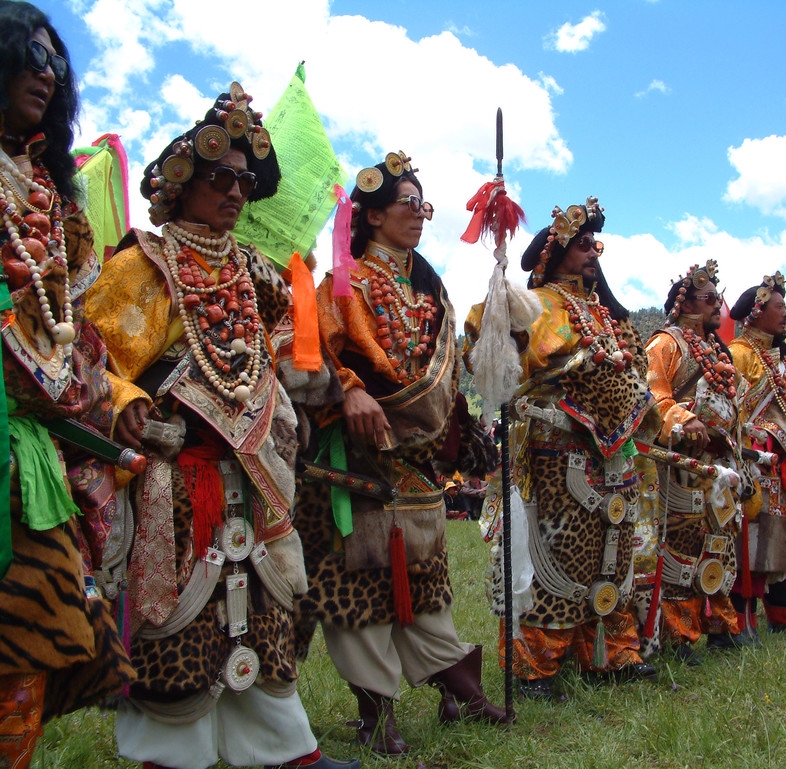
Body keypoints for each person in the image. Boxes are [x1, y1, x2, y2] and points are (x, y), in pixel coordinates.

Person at [84, 85, 357, 769]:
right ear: (181, 184)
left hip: (255, 470)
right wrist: (123, 397)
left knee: (262, 608)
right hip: (176, 478)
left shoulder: (257, 272)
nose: (235, 192)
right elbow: (89, 355)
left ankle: (287, 750)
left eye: (244, 181)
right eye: (219, 178)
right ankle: (170, 756)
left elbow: (281, 353)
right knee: (181, 619)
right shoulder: (139, 267)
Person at [296, 152, 505, 756]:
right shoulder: (342, 281)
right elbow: (302, 347)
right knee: (358, 594)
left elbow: (449, 371)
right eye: (407, 204)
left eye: (424, 205)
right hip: (354, 461)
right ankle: (375, 715)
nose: (419, 215)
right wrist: (351, 390)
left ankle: (460, 692)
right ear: (372, 214)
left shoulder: (429, 288)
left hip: (418, 465)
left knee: (428, 589)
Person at [0, 4, 134, 764]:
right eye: (28, 54)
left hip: (31, 458)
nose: (45, 72)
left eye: (56, 61)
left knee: (33, 637)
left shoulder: (56, 203)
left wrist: (111, 402)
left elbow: (75, 330)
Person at [467, 197, 657, 699]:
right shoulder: (540, 305)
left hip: (615, 456)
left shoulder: (609, 315)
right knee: (560, 558)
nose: (593, 252)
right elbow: (486, 348)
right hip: (557, 454)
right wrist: (500, 314)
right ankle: (535, 665)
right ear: (555, 254)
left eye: (594, 243)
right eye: (580, 245)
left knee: (613, 553)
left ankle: (612, 652)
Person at [640, 261, 747, 660]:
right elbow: (653, 397)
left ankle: (722, 625)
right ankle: (679, 633)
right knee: (682, 549)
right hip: (683, 465)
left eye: (718, 297)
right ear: (686, 303)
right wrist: (686, 419)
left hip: (718, 464)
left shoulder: (714, 349)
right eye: (710, 298)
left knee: (720, 545)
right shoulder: (665, 344)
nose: (718, 304)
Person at [728, 272, 786, 633]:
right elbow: (734, 411)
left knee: (782, 540)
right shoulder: (739, 354)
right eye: (779, 306)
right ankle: (740, 620)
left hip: (785, 461)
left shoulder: (780, 358)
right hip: (756, 460)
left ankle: (783, 615)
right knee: (750, 541)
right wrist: (765, 438)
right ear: (757, 311)